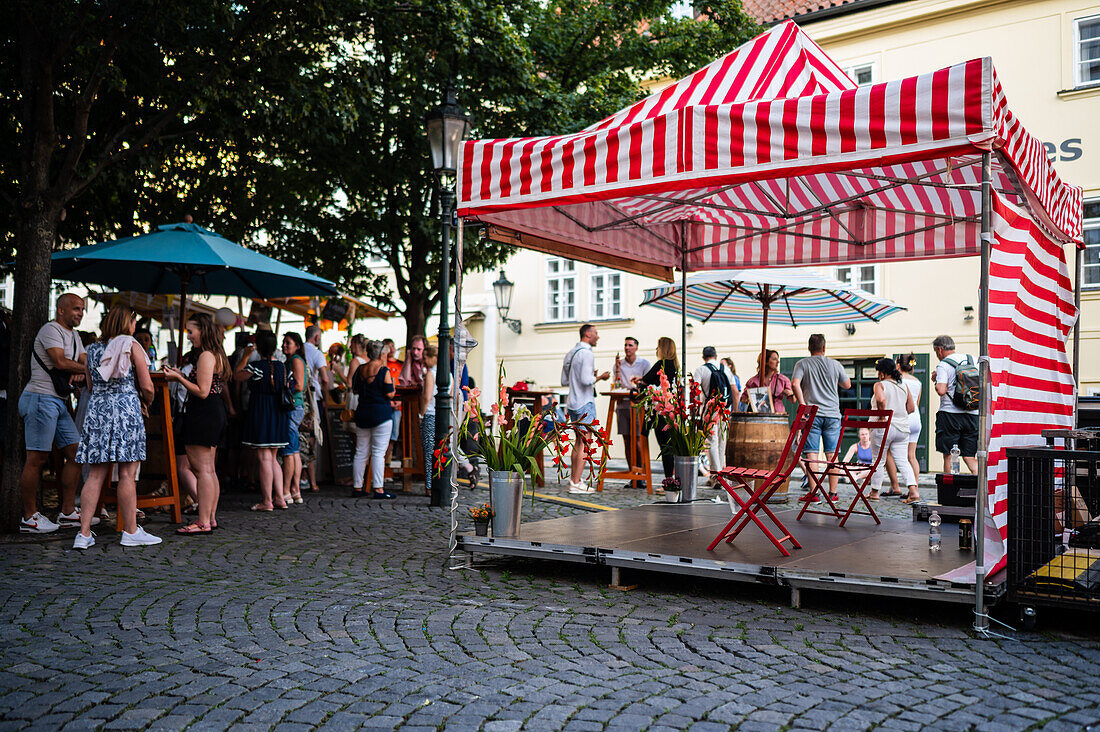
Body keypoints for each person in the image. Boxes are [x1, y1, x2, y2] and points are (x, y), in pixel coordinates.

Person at [71, 305, 159, 549]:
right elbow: (148, 385)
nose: (134, 326)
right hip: (126, 408)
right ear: (126, 324)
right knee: (127, 474)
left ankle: (84, 533)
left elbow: (89, 384)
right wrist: (146, 401)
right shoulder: (131, 346)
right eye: (132, 322)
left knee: (96, 474)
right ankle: (130, 531)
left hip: (98, 409)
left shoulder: (93, 349)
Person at [19, 293, 88, 533]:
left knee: (77, 454)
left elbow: (83, 359)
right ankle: (29, 517)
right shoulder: (50, 330)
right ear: (61, 309)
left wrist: (82, 368)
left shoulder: (75, 335)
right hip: (40, 398)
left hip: (57, 401)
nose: (80, 313)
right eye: (77, 309)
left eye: (82, 310)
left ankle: (68, 512)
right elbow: (60, 362)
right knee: (36, 459)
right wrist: (86, 369)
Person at [164, 313, 231, 535]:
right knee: (209, 470)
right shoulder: (217, 354)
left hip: (203, 413)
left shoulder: (205, 356)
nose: (189, 335)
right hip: (213, 412)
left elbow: (202, 391)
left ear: (202, 330)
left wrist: (179, 378)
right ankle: (209, 518)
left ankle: (202, 521)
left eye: (191, 331)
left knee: (202, 470)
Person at [791, 334, 851, 502]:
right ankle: (833, 494)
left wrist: (803, 406)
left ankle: (815, 493)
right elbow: (847, 385)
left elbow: (795, 383)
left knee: (812, 454)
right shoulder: (835, 364)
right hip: (833, 414)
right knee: (832, 455)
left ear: (809, 348)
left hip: (813, 414)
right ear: (824, 348)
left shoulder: (802, 364)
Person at [235, 331, 289, 511]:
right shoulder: (281, 366)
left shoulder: (255, 366)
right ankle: (280, 498)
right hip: (278, 413)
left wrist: (245, 356)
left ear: (258, 346)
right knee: (273, 457)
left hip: (261, 411)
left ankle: (267, 501)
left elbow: (237, 375)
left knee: (264, 457)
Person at [562, 324, 611, 494]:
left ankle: (574, 480)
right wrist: (600, 377)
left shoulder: (571, 353)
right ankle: (576, 482)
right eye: (596, 333)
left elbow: (564, 381)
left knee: (578, 442)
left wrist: (590, 375)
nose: (598, 336)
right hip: (585, 402)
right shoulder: (587, 353)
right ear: (588, 334)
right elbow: (585, 380)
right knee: (585, 441)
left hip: (573, 402)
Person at [351, 340, 396, 499]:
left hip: (362, 413)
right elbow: (390, 393)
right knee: (378, 452)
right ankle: (378, 488)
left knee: (361, 452)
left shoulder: (360, 369)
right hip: (381, 414)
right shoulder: (384, 371)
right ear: (382, 354)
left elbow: (355, 390)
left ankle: (357, 486)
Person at [869, 357, 916, 502]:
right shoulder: (903, 386)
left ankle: (874, 493)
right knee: (903, 460)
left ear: (882, 373)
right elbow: (911, 408)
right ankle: (913, 492)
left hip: (884, 427)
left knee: (878, 460)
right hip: (902, 428)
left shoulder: (880, 385)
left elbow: (881, 399)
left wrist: (883, 416)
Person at [932, 335, 979, 474]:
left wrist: (936, 380)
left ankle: (949, 490)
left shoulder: (943, 364)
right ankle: (980, 489)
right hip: (973, 413)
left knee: (949, 454)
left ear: (939, 350)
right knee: (970, 456)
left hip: (950, 415)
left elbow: (941, 390)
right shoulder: (973, 360)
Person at [640, 337, 680, 489]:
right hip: (674, 412)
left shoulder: (661, 364)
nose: (656, 350)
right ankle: (675, 481)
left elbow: (644, 382)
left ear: (662, 349)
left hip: (661, 412)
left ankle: (669, 482)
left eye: (658, 347)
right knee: (672, 448)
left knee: (665, 449)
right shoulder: (675, 365)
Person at [615, 336, 650, 485]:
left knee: (637, 440)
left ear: (636, 347)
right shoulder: (619, 364)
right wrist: (616, 370)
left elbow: (649, 384)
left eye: (630, 345)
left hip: (637, 405)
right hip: (622, 405)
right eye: (625, 345)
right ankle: (632, 475)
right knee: (627, 441)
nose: (627, 348)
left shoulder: (644, 363)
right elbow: (616, 384)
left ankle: (641, 474)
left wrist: (640, 381)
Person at [693, 346, 732, 479]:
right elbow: (735, 392)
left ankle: (716, 476)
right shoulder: (726, 369)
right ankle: (722, 475)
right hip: (725, 409)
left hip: (709, 409)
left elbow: (695, 391)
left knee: (711, 442)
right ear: (716, 356)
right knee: (722, 441)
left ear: (703, 357)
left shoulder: (701, 370)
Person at [280, 332, 308, 504]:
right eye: (284, 342)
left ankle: (287, 491)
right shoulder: (293, 360)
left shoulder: (296, 360)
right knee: (294, 450)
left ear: (297, 345)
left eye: (288, 343)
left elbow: (298, 385)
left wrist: (281, 388)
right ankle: (295, 490)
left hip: (292, 406)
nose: (284, 345)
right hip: (294, 406)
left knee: (289, 451)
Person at [302, 325, 329, 491]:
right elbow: (325, 379)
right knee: (311, 436)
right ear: (317, 337)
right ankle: (307, 478)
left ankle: (302, 477)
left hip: (299, 397)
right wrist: (326, 397)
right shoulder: (317, 353)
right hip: (313, 398)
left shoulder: (298, 349)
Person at [898, 354, 923, 502]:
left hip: (904, 418)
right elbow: (916, 403)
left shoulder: (899, 380)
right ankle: (915, 489)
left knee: (901, 457)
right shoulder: (917, 381)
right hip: (916, 419)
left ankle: (910, 491)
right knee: (911, 456)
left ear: (898, 365)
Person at [420, 345, 438, 494]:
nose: (424, 360)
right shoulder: (449, 374)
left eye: (426, 357)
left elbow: (427, 397)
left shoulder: (430, 374)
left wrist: (421, 414)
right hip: (442, 415)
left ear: (433, 358)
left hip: (431, 414)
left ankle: (429, 486)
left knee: (429, 451)